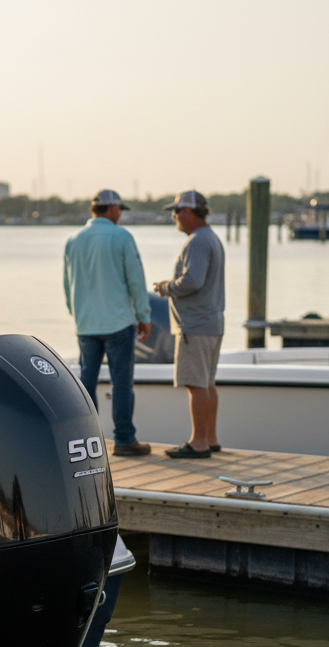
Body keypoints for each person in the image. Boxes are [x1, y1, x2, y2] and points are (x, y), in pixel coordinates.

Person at [64, 189, 152, 456]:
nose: (120, 215)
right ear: (113, 209)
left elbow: (68, 284)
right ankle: (124, 440)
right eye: (120, 210)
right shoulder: (122, 236)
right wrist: (144, 315)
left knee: (86, 384)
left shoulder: (73, 239)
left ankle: (87, 441)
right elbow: (135, 279)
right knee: (121, 383)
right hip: (117, 322)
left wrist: (77, 314)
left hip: (86, 324)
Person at [152, 190, 225, 459]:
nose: (174, 216)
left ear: (189, 213)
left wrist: (166, 288)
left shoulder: (197, 241)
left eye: (176, 211)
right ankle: (211, 438)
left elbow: (193, 280)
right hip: (211, 323)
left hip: (195, 325)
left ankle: (198, 443)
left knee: (196, 385)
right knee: (207, 383)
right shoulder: (211, 237)